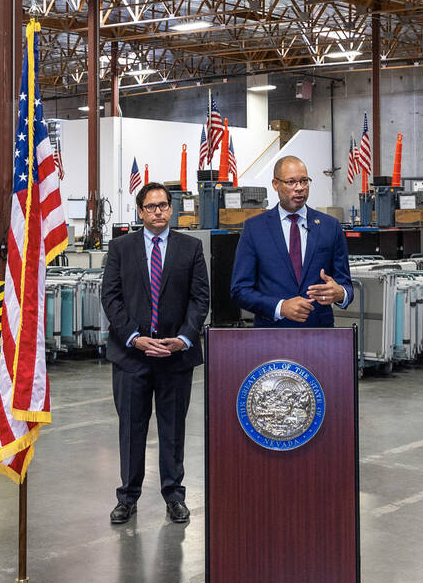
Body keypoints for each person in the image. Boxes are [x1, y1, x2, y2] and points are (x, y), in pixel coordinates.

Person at [101, 182, 209, 525]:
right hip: (132, 357)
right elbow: (111, 297)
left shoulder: (190, 248)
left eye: (164, 205)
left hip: (175, 358)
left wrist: (184, 338)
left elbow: (200, 299)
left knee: (173, 430)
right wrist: (134, 338)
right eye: (151, 206)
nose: (159, 211)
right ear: (140, 212)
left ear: (171, 208)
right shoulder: (121, 248)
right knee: (131, 429)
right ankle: (127, 497)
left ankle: (174, 496)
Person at [230, 155, 353, 327]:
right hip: (272, 337)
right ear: (275, 184)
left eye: (304, 181)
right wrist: (280, 307)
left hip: (319, 335)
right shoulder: (255, 229)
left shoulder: (330, 226)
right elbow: (240, 291)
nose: (299, 188)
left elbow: (346, 285)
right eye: (291, 182)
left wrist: (341, 294)